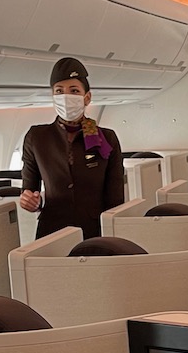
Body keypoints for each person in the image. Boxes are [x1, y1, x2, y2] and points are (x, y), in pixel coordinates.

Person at [18, 57, 126, 239]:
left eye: (74, 91)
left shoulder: (107, 139)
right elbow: (29, 190)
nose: (65, 97)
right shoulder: (36, 138)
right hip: (51, 232)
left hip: (95, 232)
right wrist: (30, 201)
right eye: (59, 91)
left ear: (87, 97)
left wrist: (112, 238)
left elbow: (115, 200)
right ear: (53, 96)